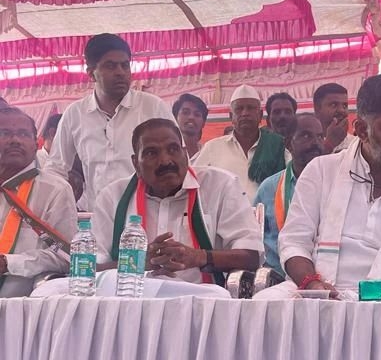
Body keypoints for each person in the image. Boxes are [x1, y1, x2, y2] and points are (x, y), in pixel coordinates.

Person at [255, 70, 381, 302]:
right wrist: (313, 283)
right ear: (361, 130)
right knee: (266, 303)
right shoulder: (321, 170)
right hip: (321, 285)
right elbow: (294, 240)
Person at [91, 118, 263, 295]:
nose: (165, 161)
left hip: (204, 307)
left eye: (173, 149)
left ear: (185, 153)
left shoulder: (220, 185)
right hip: (133, 307)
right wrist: (136, 263)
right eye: (151, 153)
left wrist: (198, 257)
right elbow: (90, 269)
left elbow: (251, 256)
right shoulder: (112, 197)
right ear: (136, 164)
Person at [44, 33, 174, 210]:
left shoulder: (152, 107)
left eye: (125, 65)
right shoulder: (75, 114)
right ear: (91, 73)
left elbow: (178, 161)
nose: (120, 72)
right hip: (96, 216)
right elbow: (56, 169)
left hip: (145, 216)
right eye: (110, 66)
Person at [0, 107, 77, 297]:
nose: (15, 140)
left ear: (35, 144)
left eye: (23, 134)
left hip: (23, 300)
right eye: (5, 133)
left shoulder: (55, 190)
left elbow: (65, 256)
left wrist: (9, 263)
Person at [253, 113, 325, 276]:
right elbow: (254, 239)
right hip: (278, 279)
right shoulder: (269, 188)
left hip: (326, 278)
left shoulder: (337, 183)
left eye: (320, 136)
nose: (316, 143)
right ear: (288, 144)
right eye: (306, 136)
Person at [193, 84, 288, 202]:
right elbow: (194, 183)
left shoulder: (277, 145)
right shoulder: (212, 148)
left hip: (268, 217)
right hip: (225, 218)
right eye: (239, 109)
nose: (245, 113)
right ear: (231, 116)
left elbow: (291, 182)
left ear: (260, 115)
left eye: (251, 108)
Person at [313, 83, 356, 153]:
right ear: (317, 109)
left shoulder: (355, 144)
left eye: (345, 106)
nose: (341, 110)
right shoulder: (308, 144)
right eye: (334, 105)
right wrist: (330, 144)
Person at [172, 93, 208, 160]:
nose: (191, 117)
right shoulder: (167, 155)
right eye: (185, 112)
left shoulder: (208, 154)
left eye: (197, 114)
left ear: (203, 123)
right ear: (175, 118)